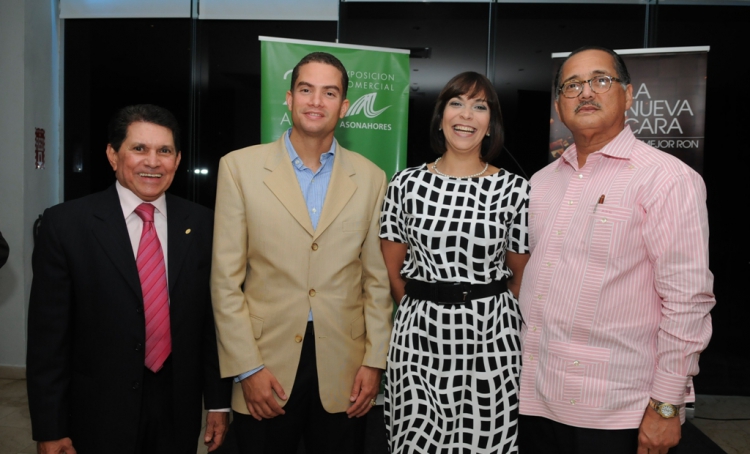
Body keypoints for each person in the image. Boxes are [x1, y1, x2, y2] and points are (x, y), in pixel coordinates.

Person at [517, 46, 715, 454]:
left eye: (600, 80)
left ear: (628, 95)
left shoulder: (667, 179)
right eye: (572, 85)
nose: (586, 92)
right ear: (559, 105)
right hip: (534, 399)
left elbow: (687, 300)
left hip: (618, 410)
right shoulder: (540, 182)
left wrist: (666, 405)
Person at [210, 52, 393, 454]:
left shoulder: (371, 178)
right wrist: (247, 367)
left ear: (344, 107)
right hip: (264, 367)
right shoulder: (239, 169)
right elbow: (225, 282)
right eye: (306, 89)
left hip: (345, 370)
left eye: (330, 93)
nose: (316, 101)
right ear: (289, 98)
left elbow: (376, 282)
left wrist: (374, 361)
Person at [27, 104, 232, 454]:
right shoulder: (66, 225)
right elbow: (48, 340)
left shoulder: (202, 224)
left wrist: (218, 402)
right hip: (96, 412)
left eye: (164, 151)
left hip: (177, 410)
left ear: (177, 160)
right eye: (139, 148)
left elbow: (212, 323)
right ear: (112, 155)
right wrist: (50, 427)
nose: (153, 162)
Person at [380, 71, 530, 453]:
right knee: (416, 440)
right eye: (456, 103)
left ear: (490, 124)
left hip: (491, 339)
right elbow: (392, 272)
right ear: (441, 116)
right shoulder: (405, 184)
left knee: (485, 442)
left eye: (479, 107)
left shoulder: (515, 190)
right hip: (419, 340)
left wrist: (482, 308)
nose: (466, 115)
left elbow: (519, 277)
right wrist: (428, 307)